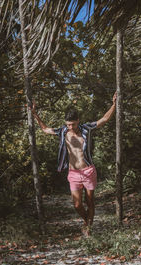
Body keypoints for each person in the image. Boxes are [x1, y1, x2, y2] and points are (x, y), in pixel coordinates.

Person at [31, 92, 117, 236]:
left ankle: (88, 228)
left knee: (90, 202)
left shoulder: (86, 129)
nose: (71, 127)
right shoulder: (64, 131)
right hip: (73, 173)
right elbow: (45, 129)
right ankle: (86, 221)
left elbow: (103, 120)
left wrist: (114, 105)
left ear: (78, 120)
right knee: (77, 205)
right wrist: (34, 113)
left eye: (73, 124)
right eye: (68, 124)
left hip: (88, 170)